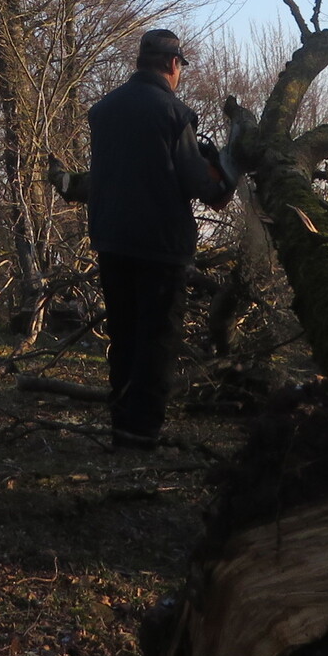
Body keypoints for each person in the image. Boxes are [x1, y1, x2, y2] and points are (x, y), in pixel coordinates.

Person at [80, 28, 231, 450]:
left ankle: (121, 424)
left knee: (124, 335)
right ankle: (142, 430)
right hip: (160, 244)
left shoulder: (104, 110)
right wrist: (226, 170)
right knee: (158, 339)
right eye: (180, 66)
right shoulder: (174, 113)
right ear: (172, 63)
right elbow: (200, 183)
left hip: (111, 238)